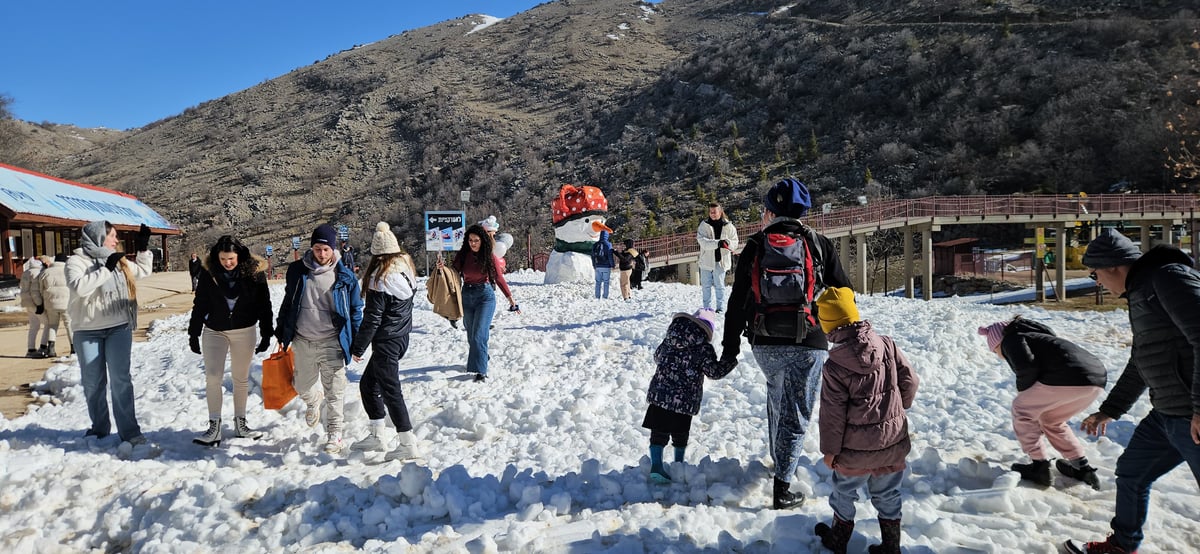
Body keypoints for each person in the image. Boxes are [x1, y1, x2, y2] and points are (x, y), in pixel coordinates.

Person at [1065, 228, 1200, 554]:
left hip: (1191, 415)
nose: (1096, 281)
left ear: (1112, 266)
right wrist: (1111, 409)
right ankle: (1122, 547)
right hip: (1167, 414)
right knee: (1131, 473)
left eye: (1095, 273)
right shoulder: (1141, 293)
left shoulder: (1167, 278)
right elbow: (1142, 360)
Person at [721, 178, 852, 509]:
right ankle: (783, 488)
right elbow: (846, 294)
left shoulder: (754, 245)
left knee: (777, 396)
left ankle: (778, 461)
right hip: (809, 343)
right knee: (797, 413)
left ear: (769, 212)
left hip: (764, 343)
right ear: (803, 212)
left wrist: (730, 349)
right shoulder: (819, 244)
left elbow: (737, 303)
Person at [813, 287, 919, 554]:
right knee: (888, 493)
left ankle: (838, 540)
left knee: (844, 493)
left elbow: (832, 414)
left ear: (828, 327)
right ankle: (891, 545)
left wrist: (831, 451)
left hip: (853, 453)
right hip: (891, 444)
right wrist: (897, 409)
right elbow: (910, 381)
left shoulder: (835, 367)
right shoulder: (886, 344)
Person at [978, 316, 1106, 489]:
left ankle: (1039, 466)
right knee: (1051, 420)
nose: (998, 355)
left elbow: (1026, 368)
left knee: (1021, 409)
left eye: (995, 351)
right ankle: (1082, 467)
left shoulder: (1011, 339)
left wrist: (1023, 392)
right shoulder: (1038, 338)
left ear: (998, 342)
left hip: (1068, 377)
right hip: (1095, 381)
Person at [276, 224, 363, 454]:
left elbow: (355, 309)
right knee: (301, 385)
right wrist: (281, 331)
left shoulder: (344, 276)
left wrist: (356, 342)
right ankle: (313, 400)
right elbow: (289, 302)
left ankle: (334, 434)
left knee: (335, 391)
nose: (321, 254)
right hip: (303, 340)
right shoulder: (298, 271)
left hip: (332, 341)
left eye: (325, 249)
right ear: (311, 248)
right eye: (317, 248)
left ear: (333, 249)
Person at [65, 221, 154, 444]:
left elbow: (143, 271)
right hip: (88, 330)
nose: (116, 240)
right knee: (93, 382)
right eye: (112, 236)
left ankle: (130, 431)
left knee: (121, 379)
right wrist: (106, 269)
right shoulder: (76, 261)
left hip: (119, 326)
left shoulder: (118, 259)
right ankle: (99, 427)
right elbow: (79, 287)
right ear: (98, 237)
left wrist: (143, 249)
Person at [188, 235, 275, 447]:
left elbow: (265, 304)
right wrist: (194, 332)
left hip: (244, 330)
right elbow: (200, 303)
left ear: (239, 256)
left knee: (240, 378)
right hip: (215, 330)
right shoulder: (209, 273)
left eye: (231, 259)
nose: (227, 263)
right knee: (213, 377)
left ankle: (241, 423)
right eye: (223, 259)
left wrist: (266, 332)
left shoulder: (254, 274)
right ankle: (214, 426)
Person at [348, 222, 422, 461]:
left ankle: (407, 442)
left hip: (387, 341)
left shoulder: (381, 278)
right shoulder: (405, 267)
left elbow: (373, 318)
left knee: (391, 391)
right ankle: (377, 434)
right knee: (368, 385)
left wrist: (358, 346)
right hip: (401, 337)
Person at [642, 309, 736, 483]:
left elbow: (657, 357)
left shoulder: (669, 340)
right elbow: (713, 372)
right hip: (684, 399)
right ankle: (679, 463)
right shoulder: (703, 348)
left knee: (658, 431)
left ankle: (656, 465)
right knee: (680, 432)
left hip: (660, 394)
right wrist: (729, 360)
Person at [443, 224, 519, 382]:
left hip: (485, 297)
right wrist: (441, 268)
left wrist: (510, 298)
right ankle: (483, 356)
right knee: (472, 336)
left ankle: (480, 371)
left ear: (482, 241)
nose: (473, 243)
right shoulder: (463, 255)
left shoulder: (489, 256)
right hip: (467, 296)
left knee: (479, 335)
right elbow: (453, 273)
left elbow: (498, 278)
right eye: (470, 240)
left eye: (476, 240)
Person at [697, 202, 739, 312]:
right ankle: (707, 308)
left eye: (715, 212)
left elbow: (735, 242)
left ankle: (720, 308)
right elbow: (703, 242)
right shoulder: (703, 225)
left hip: (721, 261)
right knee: (706, 287)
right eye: (711, 212)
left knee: (720, 286)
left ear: (720, 212)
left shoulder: (729, 226)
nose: (713, 214)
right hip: (706, 261)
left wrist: (727, 243)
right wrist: (718, 243)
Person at [34, 254, 72, 358]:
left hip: (50, 303)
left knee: (53, 325)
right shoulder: (68, 271)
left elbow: (41, 289)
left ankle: (51, 348)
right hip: (66, 303)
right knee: (69, 325)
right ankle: (73, 349)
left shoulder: (46, 272)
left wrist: (42, 302)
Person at [19, 256, 47, 358]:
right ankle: (43, 347)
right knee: (48, 324)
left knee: (34, 326)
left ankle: (31, 348)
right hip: (35, 302)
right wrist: (39, 304)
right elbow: (35, 292)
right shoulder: (37, 273)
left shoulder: (25, 272)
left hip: (26, 302)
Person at [591, 230, 615, 299]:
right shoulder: (608, 244)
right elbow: (610, 256)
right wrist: (612, 265)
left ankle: (597, 296)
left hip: (598, 265)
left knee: (598, 282)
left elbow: (592, 255)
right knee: (606, 282)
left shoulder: (595, 244)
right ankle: (605, 296)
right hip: (606, 266)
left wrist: (594, 265)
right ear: (607, 236)